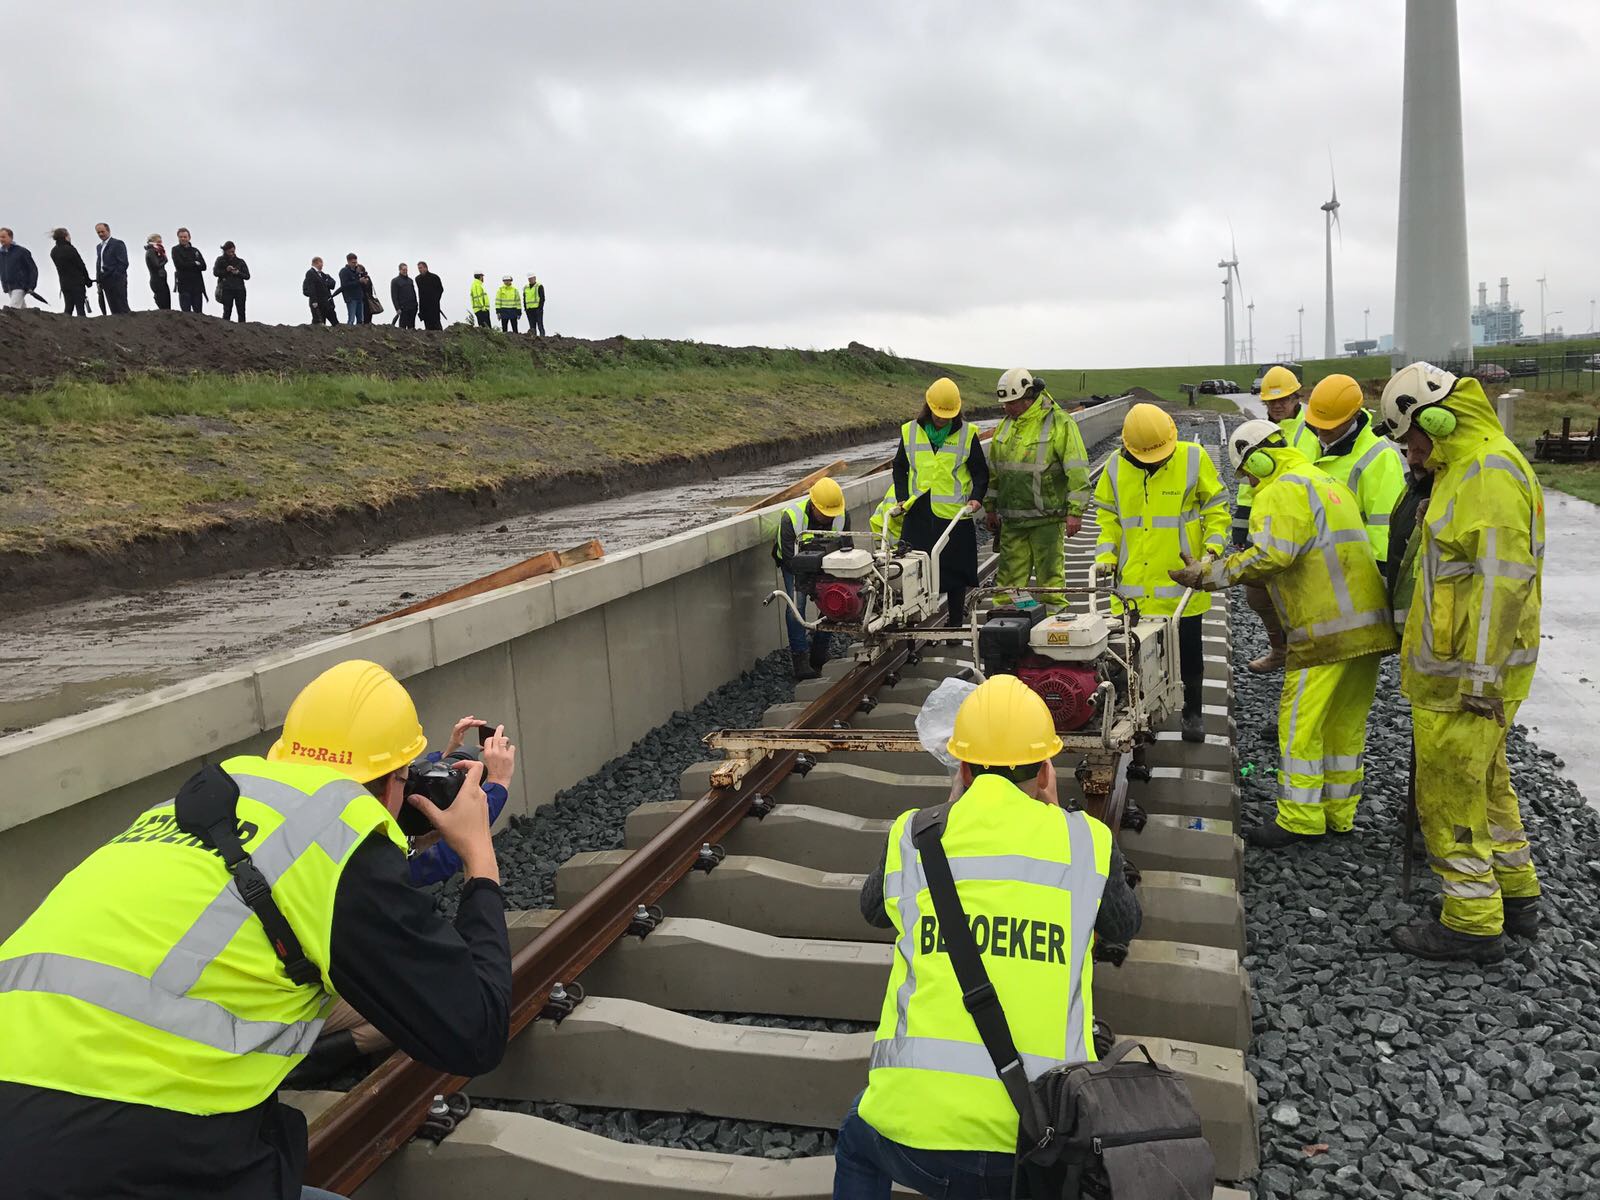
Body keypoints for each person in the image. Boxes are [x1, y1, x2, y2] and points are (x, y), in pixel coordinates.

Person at [0, 659, 513, 1199]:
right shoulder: (340, 847)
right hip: (114, 1153)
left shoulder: (196, 804)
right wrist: (479, 855)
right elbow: (474, 1032)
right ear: (394, 783)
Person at [835, 675, 1140, 1200]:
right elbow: (1123, 925)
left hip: (912, 1139)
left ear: (961, 768)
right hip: (1038, 1139)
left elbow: (872, 910)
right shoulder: (1086, 842)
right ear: (1047, 770)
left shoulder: (915, 835)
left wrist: (951, 809)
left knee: (856, 1145)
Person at [1377, 362, 1545, 963]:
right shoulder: (1465, 469)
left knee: (1448, 795)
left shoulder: (1485, 476)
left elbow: (1504, 583)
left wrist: (1480, 676)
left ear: (1438, 419)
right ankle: (1518, 895)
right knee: (1489, 784)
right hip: (1464, 674)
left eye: (1412, 441)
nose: (1412, 456)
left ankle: (1472, 921)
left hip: (1464, 681)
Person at [1171, 419, 1397, 848]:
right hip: (1367, 630)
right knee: (1344, 726)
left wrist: (1208, 575)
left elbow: (1273, 555)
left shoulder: (1280, 489)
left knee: (1299, 727)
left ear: (1258, 457)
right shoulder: (1323, 479)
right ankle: (1338, 813)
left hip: (1325, 633)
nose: (1250, 481)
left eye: (1248, 473)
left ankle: (1299, 819)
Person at [290, 714, 514, 1083]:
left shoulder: (287, 816)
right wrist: (499, 787)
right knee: (415, 999)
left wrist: (448, 753)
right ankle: (308, 1060)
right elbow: (478, 1031)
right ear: (389, 787)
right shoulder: (360, 864)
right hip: (228, 1048)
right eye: (405, 774)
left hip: (189, 1004)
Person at [1094, 403, 1229, 743]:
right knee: (1132, 655)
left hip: (1182, 581)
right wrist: (1105, 554)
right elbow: (1108, 519)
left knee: (1188, 652)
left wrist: (1212, 550)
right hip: (1133, 585)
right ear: (1128, 448)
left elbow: (1216, 506)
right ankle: (1137, 716)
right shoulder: (1114, 468)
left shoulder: (1193, 458)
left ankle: (1193, 713)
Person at [1234, 365, 1321, 674]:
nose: (1278, 406)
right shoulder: (1257, 432)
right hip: (1265, 521)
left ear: (1297, 397)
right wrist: (1241, 523)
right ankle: (1281, 649)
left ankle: (1303, 654)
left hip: (1302, 524)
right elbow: (1250, 481)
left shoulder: (1311, 429)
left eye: (1283, 399)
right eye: (1272, 402)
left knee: (1300, 595)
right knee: (1257, 594)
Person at [985, 367, 1089, 610]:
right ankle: (1012, 626)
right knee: (1010, 585)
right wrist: (990, 509)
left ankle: (1055, 630)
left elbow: (1077, 470)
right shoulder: (1006, 426)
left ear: (1028, 397)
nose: (1007, 408)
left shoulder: (1059, 422)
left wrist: (1076, 511)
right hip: (1013, 521)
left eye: (1011, 402)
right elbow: (996, 472)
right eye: (1005, 403)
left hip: (1047, 519)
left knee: (1050, 583)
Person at [891, 378, 989, 626]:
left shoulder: (967, 435)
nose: (941, 419)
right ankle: (913, 621)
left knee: (954, 572)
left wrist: (977, 497)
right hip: (918, 513)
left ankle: (955, 621)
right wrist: (902, 497)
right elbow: (899, 467)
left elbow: (980, 472)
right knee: (914, 569)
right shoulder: (910, 431)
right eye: (937, 414)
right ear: (928, 407)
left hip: (954, 515)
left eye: (947, 416)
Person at [1303, 374, 1406, 572]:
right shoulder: (1315, 444)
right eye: (1319, 423)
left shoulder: (1379, 456)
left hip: (1354, 569)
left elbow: (1383, 524)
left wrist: (1378, 572)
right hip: (1319, 564)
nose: (1321, 430)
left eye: (1329, 425)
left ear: (1354, 416)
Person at [772, 477, 850, 681]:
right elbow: (789, 558)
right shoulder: (791, 518)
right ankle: (800, 659)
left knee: (836, 601)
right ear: (814, 505)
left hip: (828, 564)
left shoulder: (841, 516)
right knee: (796, 607)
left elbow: (847, 550)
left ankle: (819, 653)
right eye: (825, 514)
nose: (829, 518)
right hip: (794, 566)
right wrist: (810, 585)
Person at [49, 228, 93, 316]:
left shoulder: (53, 252)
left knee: (68, 308)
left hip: (64, 284)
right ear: (65, 236)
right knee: (80, 308)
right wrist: (87, 280)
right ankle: (82, 327)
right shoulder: (70, 249)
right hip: (77, 283)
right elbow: (81, 265)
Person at [94, 222, 131, 313]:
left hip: (117, 280)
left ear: (108, 231)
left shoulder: (117, 243)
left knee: (122, 306)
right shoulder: (99, 247)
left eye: (102, 231)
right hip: (105, 280)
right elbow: (99, 263)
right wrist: (99, 278)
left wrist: (116, 275)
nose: (100, 234)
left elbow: (123, 263)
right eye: (98, 232)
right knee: (113, 308)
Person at [0, 228, 38, 309]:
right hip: (8, 286)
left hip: (20, 285)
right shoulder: (1, 254)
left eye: (3, 237)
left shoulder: (21, 251)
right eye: (0, 237)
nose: (1, 239)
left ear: (11, 237)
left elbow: (33, 269)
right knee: (21, 309)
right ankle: (30, 319)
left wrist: (31, 285)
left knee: (12, 309)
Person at [172, 228, 208, 313]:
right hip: (184, 286)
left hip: (197, 286)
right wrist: (195, 263)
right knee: (186, 314)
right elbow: (179, 265)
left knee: (198, 313)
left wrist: (190, 264)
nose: (183, 239)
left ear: (189, 237)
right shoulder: (175, 250)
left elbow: (203, 266)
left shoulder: (195, 251)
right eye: (181, 237)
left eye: (185, 237)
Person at [212, 240, 250, 322]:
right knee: (227, 311)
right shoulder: (220, 260)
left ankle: (243, 329)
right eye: (229, 252)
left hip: (240, 289)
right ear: (225, 251)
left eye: (232, 251)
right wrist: (226, 270)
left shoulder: (240, 261)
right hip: (226, 289)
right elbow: (215, 273)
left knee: (241, 312)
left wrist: (238, 273)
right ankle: (225, 331)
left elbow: (247, 276)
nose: (231, 253)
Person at [303, 257, 341, 326]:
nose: (322, 265)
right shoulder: (310, 273)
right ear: (317, 263)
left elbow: (333, 283)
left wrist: (324, 283)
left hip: (328, 303)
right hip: (318, 304)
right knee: (319, 324)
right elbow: (308, 290)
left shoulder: (324, 275)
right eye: (321, 263)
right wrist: (314, 301)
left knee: (335, 323)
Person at [145, 234, 171, 310]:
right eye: (158, 241)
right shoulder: (151, 251)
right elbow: (156, 265)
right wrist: (165, 260)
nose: (160, 243)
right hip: (156, 280)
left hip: (161, 279)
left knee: (167, 302)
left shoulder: (157, 251)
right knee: (163, 303)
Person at [416, 261, 444, 329]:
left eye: (421, 268)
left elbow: (440, 290)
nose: (420, 270)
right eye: (419, 268)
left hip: (434, 306)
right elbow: (420, 294)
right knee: (428, 328)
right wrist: (420, 309)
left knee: (437, 326)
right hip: (424, 307)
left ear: (426, 267)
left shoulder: (434, 277)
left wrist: (435, 300)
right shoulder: (418, 279)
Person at [337, 254, 364, 324]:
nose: (355, 264)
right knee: (351, 318)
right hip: (351, 298)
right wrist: (358, 281)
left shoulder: (357, 271)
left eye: (356, 262)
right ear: (348, 262)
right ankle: (349, 332)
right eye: (353, 263)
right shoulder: (344, 271)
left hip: (359, 297)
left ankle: (360, 333)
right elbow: (345, 285)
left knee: (360, 319)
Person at [391, 263, 418, 329]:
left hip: (412, 307)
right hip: (403, 308)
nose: (405, 271)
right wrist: (397, 308)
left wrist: (416, 305)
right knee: (402, 328)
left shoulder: (410, 280)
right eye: (403, 269)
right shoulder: (395, 281)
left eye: (406, 269)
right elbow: (394, 296)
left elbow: (413, 293)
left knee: (412, 327)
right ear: (400, 270)